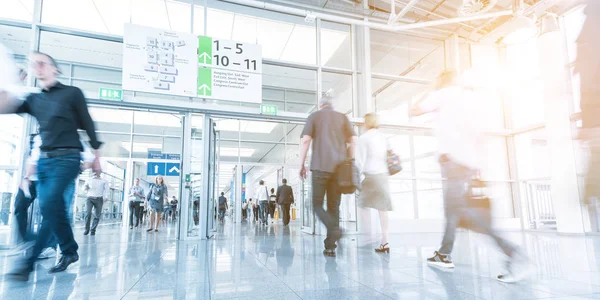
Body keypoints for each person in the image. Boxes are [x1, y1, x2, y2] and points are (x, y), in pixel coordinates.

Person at [409, 70, 530, 283]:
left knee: (466, 214)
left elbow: (414, 110)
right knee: (453, 211)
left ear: (443, 80)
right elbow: (479, 134)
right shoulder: (469, 99)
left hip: (454, 163)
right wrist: (478, 165)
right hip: (466, 164)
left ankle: (513, 253)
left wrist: (431, 88)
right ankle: (444, 254)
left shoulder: (443, 93)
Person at [2, 51, 103, 281]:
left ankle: (26, 265)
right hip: (45, 162)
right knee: (51, 208)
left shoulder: (72, 93)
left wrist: (96, 155)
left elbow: (87, 123)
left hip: (68, 158)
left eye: (42, 63)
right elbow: (5, 105)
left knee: (49, 204)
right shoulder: (34, 99)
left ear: (55, 69)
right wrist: (11, 82)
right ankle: (69, 249)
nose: (37, 67)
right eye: (33, 64)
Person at [298, 95, 357, 257]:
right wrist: (350, 160)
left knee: (316, 204)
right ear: (332, 105)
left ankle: (334, 229)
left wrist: (301, 164)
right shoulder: (342, 117)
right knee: (334, 207)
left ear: (320, 105)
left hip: (319, 167)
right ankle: (330, 246)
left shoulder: (314, 116)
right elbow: (353, 140)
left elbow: (305, 141)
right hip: (339, 170)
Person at [356, 113, 393, 253]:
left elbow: (359, 161)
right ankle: (385, 241)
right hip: (383, 176)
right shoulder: (383, 137)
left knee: (361, 205)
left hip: (371, 177)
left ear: (366, 122)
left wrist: (356, 179)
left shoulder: (364, 138)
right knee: (382, 210)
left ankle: (368, 235)